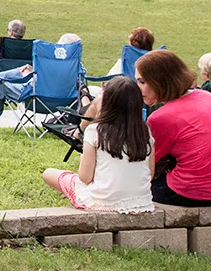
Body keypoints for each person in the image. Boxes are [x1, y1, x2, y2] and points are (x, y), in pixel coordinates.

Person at [136, 49, 211, 207]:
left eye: (142, 82)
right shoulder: (205, 96)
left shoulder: (161, 118)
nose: (138, 88)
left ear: (159, 81)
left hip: (189, 192)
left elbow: (146, 165)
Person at [42, 76, 155, 213]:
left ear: (106, 102)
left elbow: (85, 177)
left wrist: (83, 160)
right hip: (142, 202)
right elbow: (150, 172)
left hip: (102, 202)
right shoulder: (145, 131)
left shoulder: (95, 130)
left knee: (48, 173)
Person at [0, 32, 83, 132]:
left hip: (35, 99)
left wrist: (33, 72)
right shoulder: (78, 68)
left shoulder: (47, 62)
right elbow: (80, 86)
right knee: (25, 70)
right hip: (64, 102)